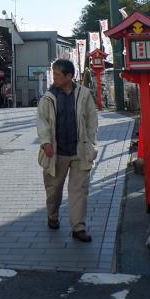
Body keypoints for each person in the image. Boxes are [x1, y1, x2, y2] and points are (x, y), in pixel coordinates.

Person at [36, 58, 98, 242]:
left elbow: (92, 119)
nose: (53, 77)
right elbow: (42, 121)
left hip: (79, 151)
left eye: (57, 74)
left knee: (79, 190)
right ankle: (52, 215)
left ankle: (78, 227)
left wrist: (90, 141)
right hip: (56, 152)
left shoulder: (84, 94)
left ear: (69, 76)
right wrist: (46, 142)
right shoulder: (48, 97)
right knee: (54, 190)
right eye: (53, 73)